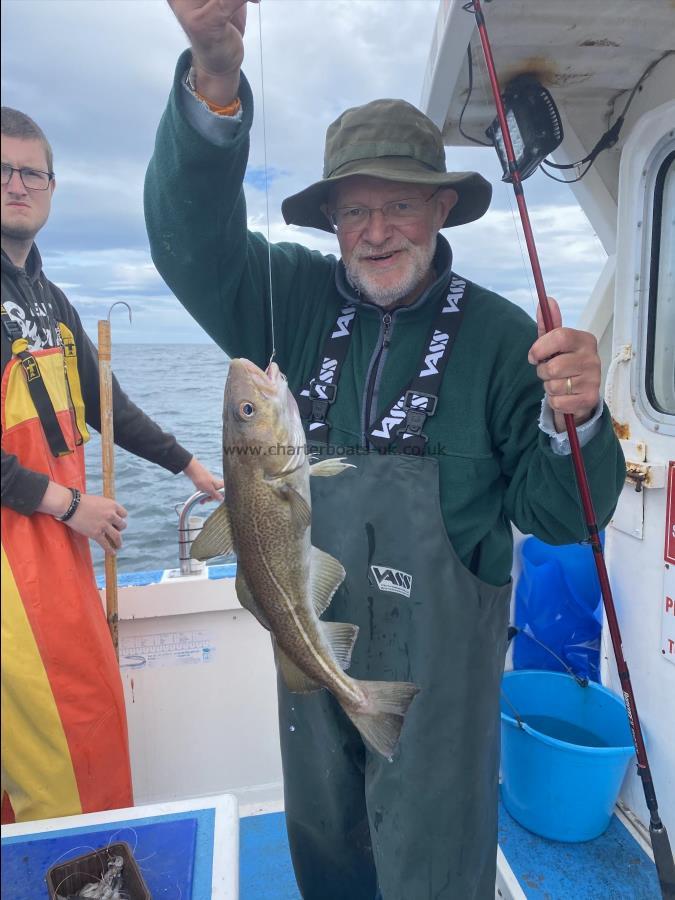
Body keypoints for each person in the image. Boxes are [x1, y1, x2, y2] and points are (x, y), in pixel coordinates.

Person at [144, 3, 625, 897]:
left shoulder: (497, 335)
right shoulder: (282, 298)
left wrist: (582, 422)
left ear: (442, 205)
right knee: (326, 846)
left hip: (441, 672)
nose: (375, 231)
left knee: (432, 862)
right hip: (311, 638)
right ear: (327, 216)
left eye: (400, 203)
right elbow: (188, 241)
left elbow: (558, 512)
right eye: (353, 208)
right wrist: (212, 72)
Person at [1, 106, 223, 824]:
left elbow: (107, 405)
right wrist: (69, 505)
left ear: (53, 187)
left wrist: (187, 463)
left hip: (58, 559)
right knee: (50, 757)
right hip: (15, 571)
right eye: (1, 171)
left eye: (30, 171)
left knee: (86, 727)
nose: (16, 185)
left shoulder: (48, 297)